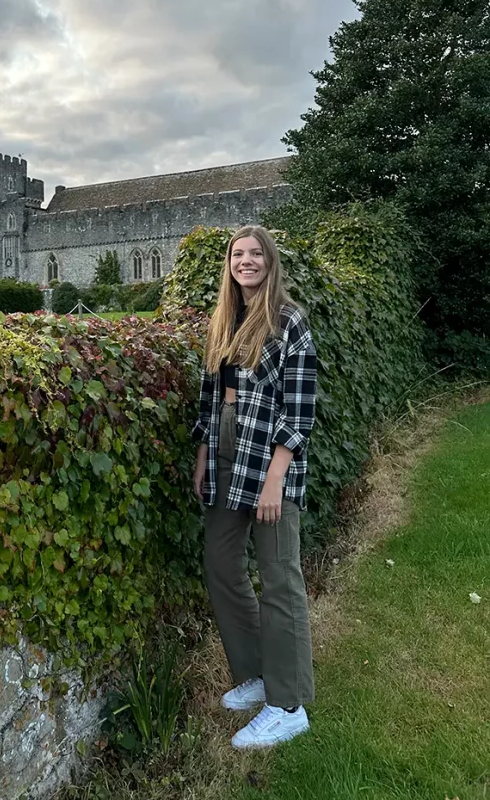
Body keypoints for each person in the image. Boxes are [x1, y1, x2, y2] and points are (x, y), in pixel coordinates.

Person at [192, 224, 317, 749]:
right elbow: (209, 394)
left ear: (270, 262)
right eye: (238, 254)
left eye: (255, 254)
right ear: (229, 263)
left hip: (269, 460)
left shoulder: (290, 322)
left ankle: (288, 706)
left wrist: (275, 481)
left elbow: (300, 410)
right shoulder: (223, 319)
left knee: (279, 578)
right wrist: (203, 455)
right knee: (221, 563)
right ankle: (257, 674)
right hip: (225, 455)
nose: (246, 261)